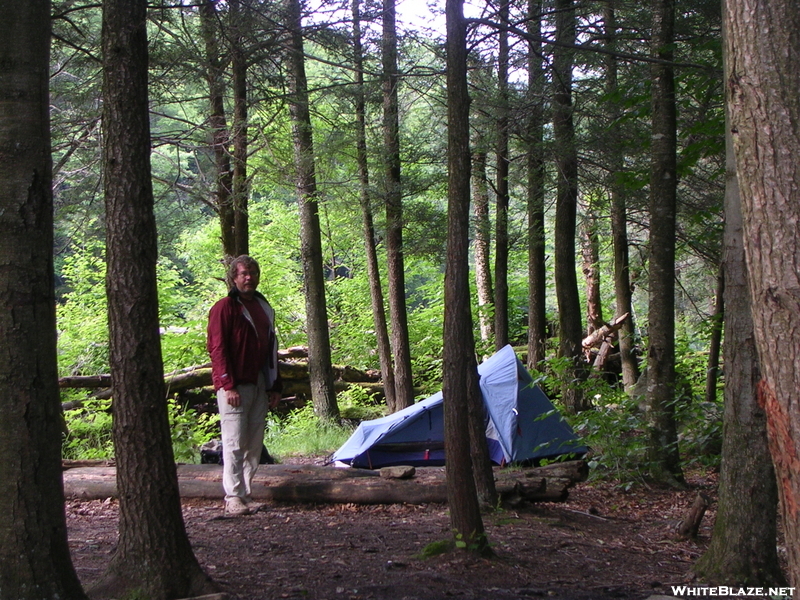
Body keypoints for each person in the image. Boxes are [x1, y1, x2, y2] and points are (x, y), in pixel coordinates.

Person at [207, 255, 281, 516]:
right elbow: (217, 348)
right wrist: (227, 384)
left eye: (252, 273)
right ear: (234, 278)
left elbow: (271, 349)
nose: (248, 277)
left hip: (259, 382)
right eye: (243, 273)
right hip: (234, 385)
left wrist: (274, 387)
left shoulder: (263, 306)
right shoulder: (224, 308)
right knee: (234, 442)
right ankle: (233, 497)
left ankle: (247, 493)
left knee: (253, 442)